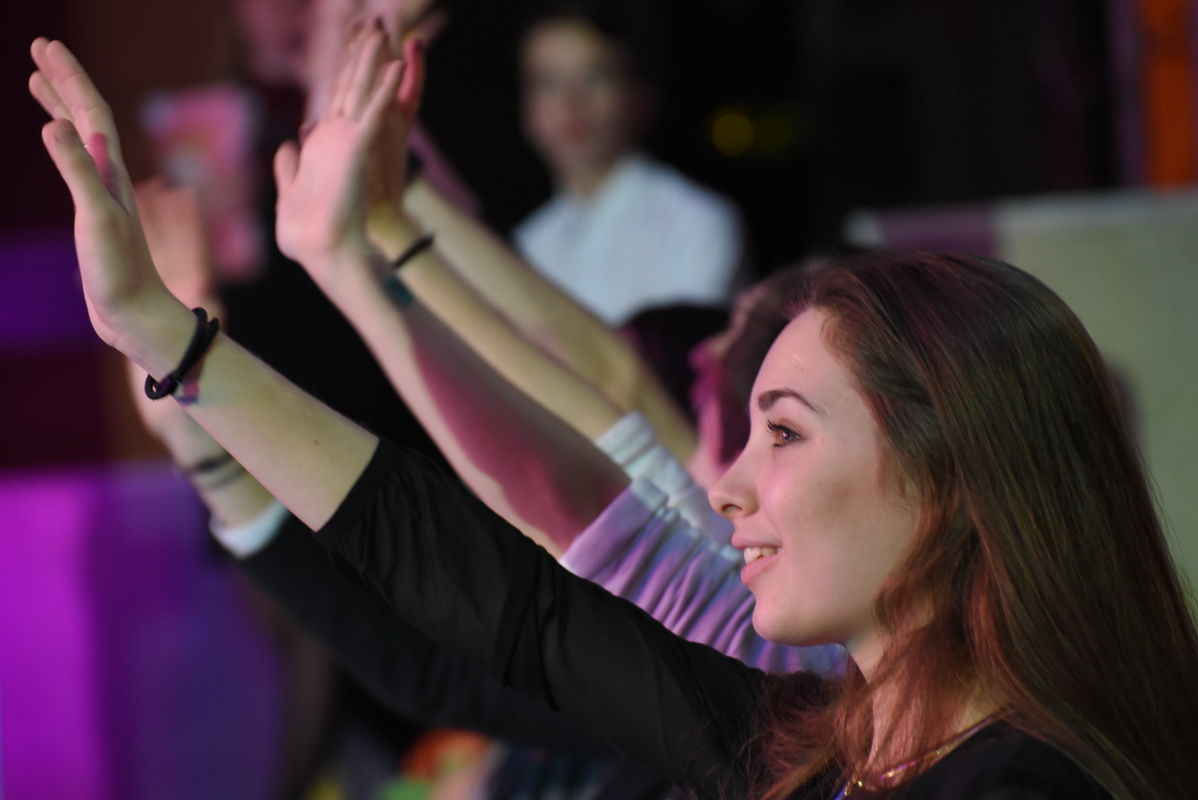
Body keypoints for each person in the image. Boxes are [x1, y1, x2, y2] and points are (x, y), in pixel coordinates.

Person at [31, 31, 1198, 799]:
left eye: (783, 431)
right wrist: (168, 339)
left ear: (947, 478)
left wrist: (366, 249)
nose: (724, 484)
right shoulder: (803, 743)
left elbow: (587, 454)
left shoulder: (1020, 785)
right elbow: (489, 591)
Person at [513, 0, 745, 325]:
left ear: (641, 97)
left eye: (594, 78)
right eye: (547, 83)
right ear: (527, 109)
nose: (569, 102)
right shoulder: (529, 244)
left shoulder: (699, 225)